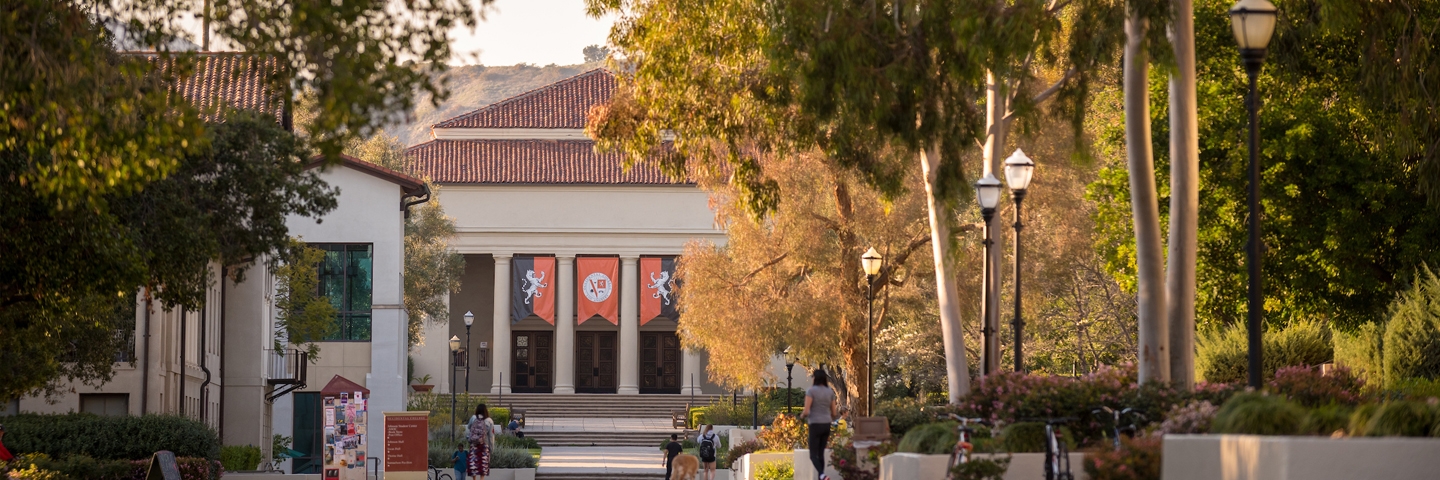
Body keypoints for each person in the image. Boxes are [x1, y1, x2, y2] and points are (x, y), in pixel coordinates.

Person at [800, 369, 838, 480]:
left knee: (813, 455)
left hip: (815, 424)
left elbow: (806, 411)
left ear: (815, 378)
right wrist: (827, 418)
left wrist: (801, 417)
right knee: (820, 454)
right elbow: (834, 413)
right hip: (826, 424)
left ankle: (822, 475)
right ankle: (821, 477)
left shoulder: (811, 391)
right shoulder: (830, 392)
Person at [466, 404, 496, 480]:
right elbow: (491, 436)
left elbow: (469, 427)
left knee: (473, 465)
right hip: (484, 446)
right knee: (482, 466)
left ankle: (474, 479)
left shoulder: (473, 418)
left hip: (474, 445)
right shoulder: (489, 420)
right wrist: (491, 448)